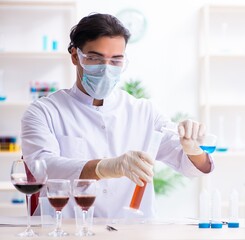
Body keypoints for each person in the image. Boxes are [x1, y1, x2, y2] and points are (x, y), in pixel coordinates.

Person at [21, 13, 213, 218]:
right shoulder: (43, 111)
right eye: (95, 58)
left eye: (116, 60)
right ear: (76, 56)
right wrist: (104, 167)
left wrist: (193, 149)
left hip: (132, 230)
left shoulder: (144, 112)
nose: (106, 68)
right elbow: (43, 168)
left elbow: (194, 168)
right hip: (67, 229)